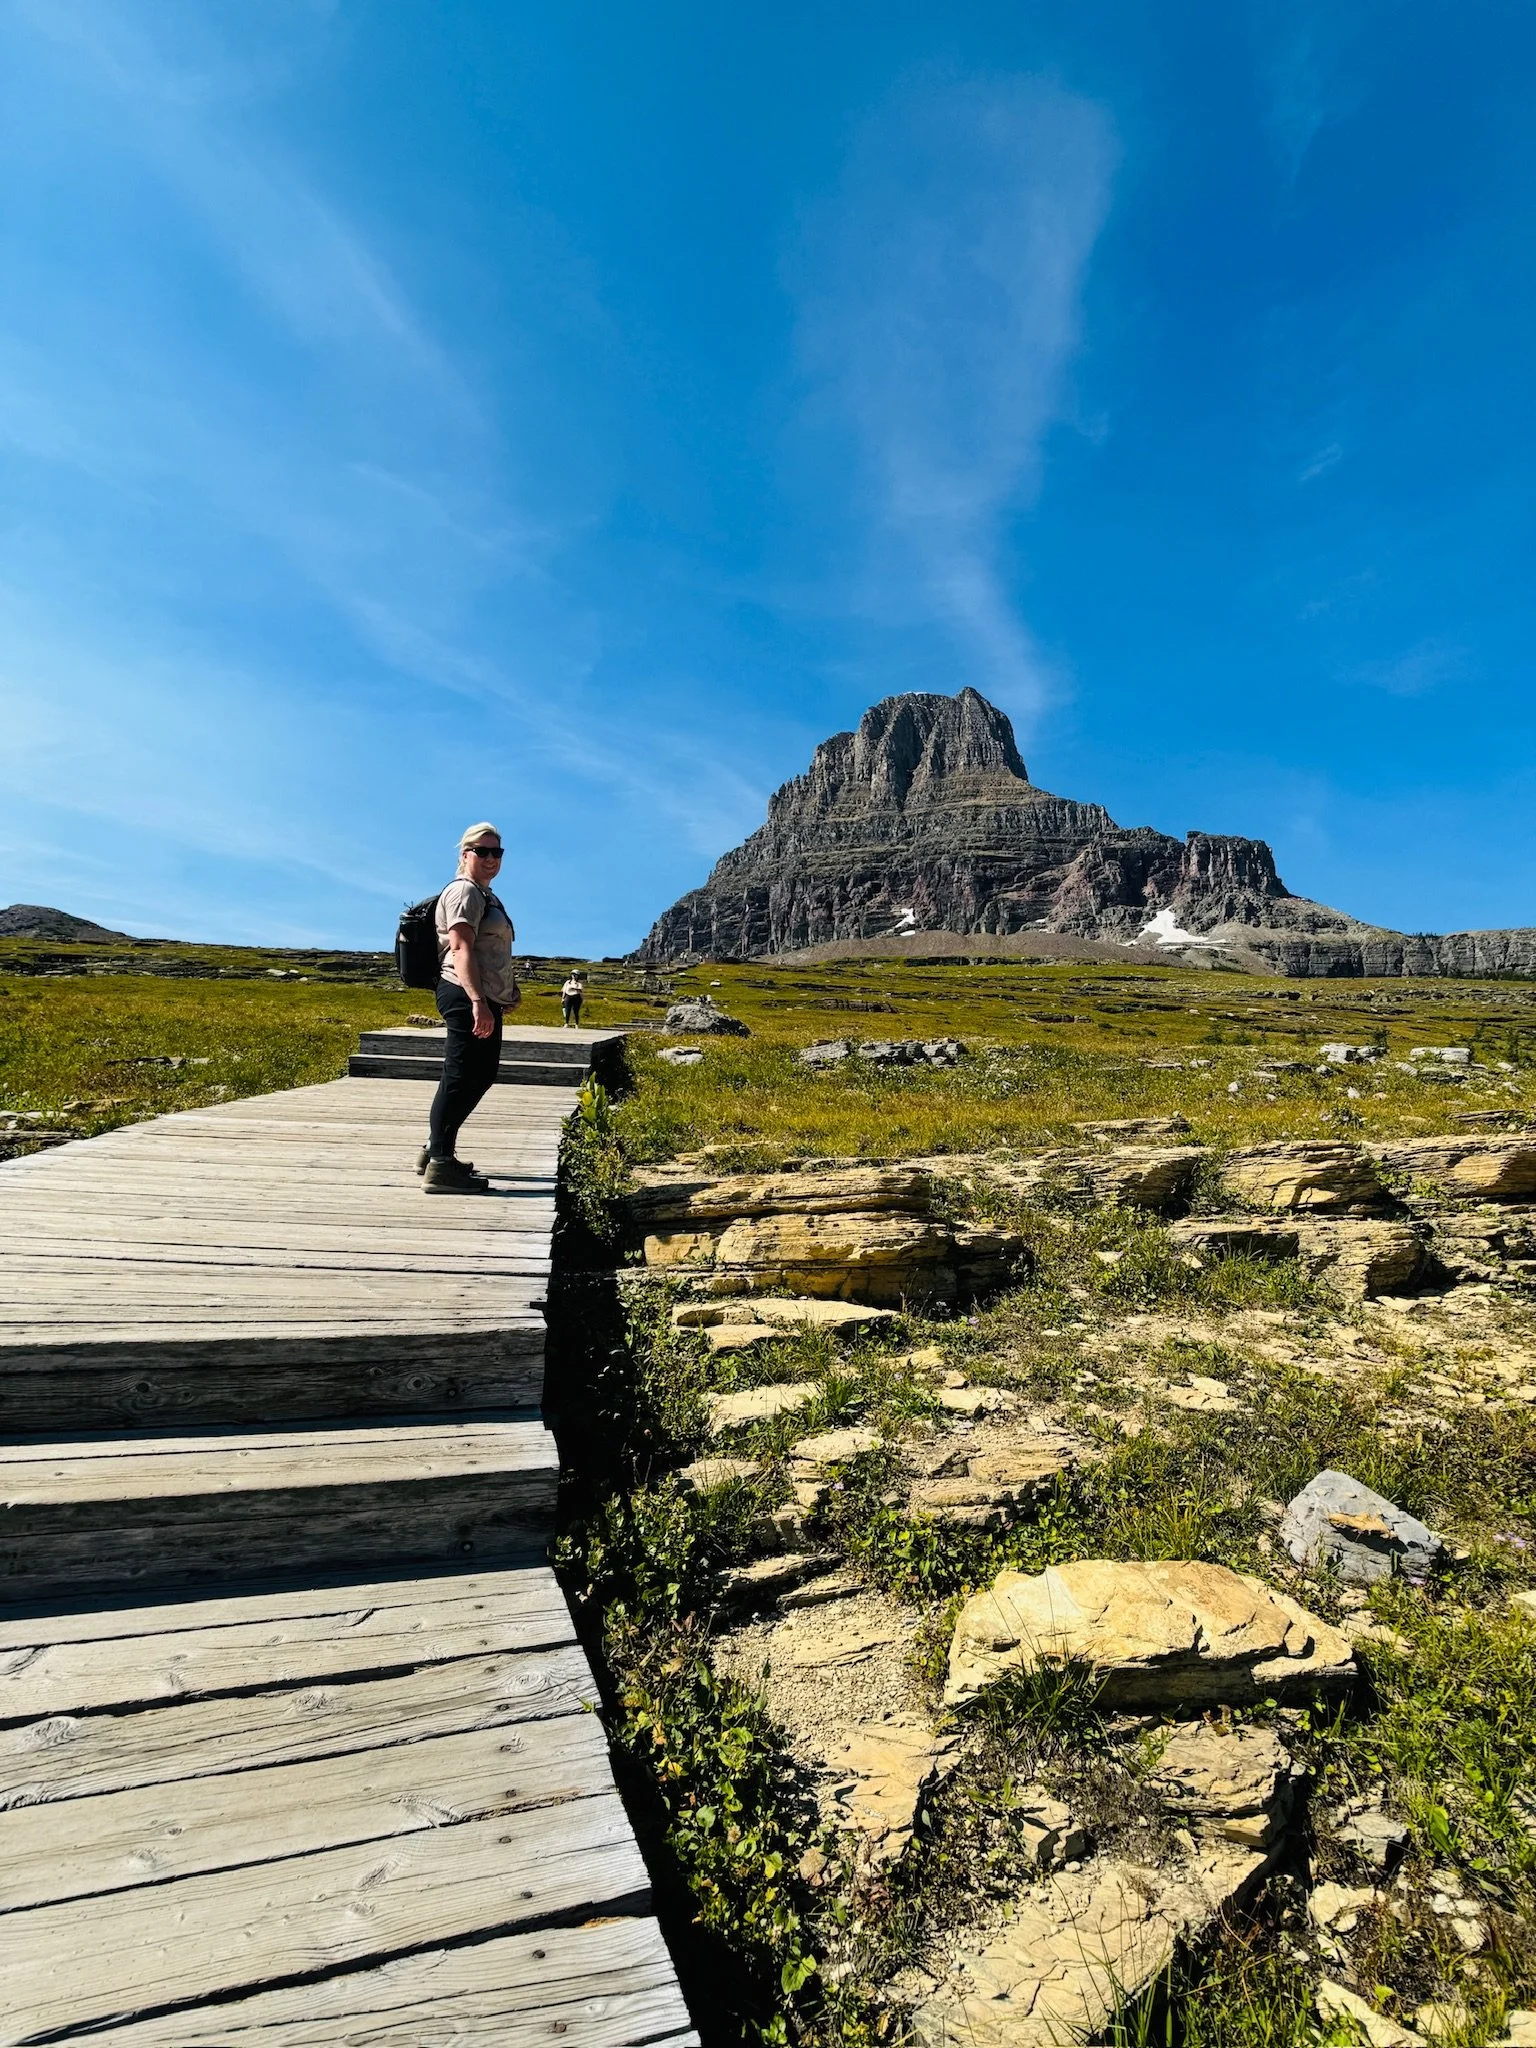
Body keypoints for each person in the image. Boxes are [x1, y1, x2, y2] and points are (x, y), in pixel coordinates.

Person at [420, 823, 520, 1193]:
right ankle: (441, 1166)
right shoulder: (464, 892)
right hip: (464, 994)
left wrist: (506, 991)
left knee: (476, 1075)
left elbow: (488, 951)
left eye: (498, 852)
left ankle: (436, 1149)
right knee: (464, 1076)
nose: (492, 859)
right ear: (465, 854)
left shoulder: (485, 894)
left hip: (481, 995)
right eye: (483, 851)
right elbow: (461, 949)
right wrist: (478, 1001)